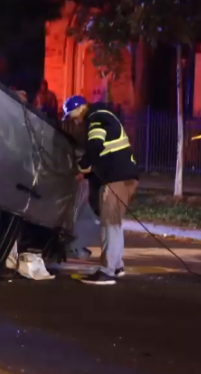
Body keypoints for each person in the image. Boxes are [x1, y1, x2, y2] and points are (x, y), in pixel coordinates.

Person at [63, 95, 139, 286]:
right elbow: (105, 153)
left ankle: (107, 271)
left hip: (116, 179)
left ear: (80, 108)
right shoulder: (105, 115)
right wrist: (87, 174)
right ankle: (117, 266)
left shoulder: (95, 117)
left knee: (109, 225)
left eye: (72, 115)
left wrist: (82, 165)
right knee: (114, 223)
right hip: (124, 176)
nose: (74, 120)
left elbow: (95, 146)